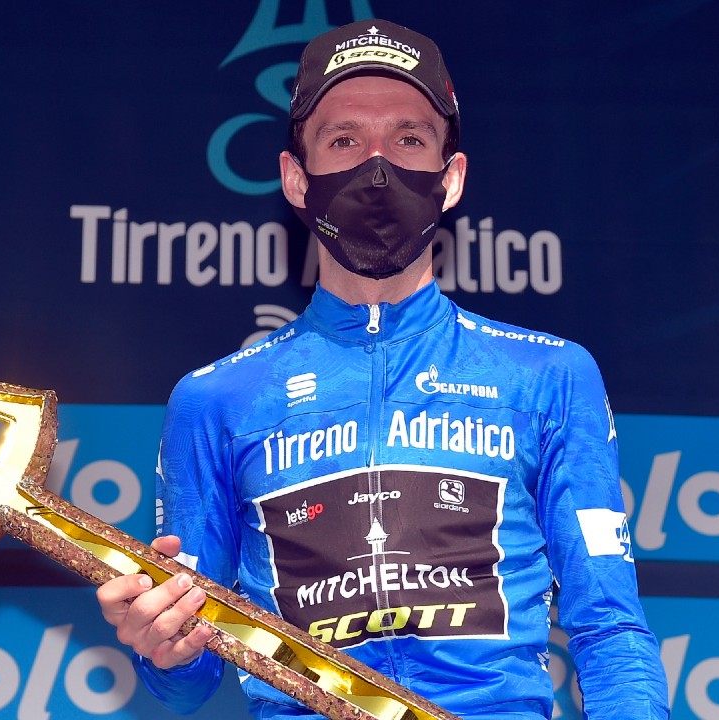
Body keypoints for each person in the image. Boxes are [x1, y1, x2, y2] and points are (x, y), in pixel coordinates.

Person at [97, 18, 670, 720]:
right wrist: (161, 647)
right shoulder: (215, 399)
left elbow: (608, 627)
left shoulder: (547, 375)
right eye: (344, 140)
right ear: (296, 178)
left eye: (408, 139)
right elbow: (184, 681)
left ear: (450, 177)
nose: (377, 166)